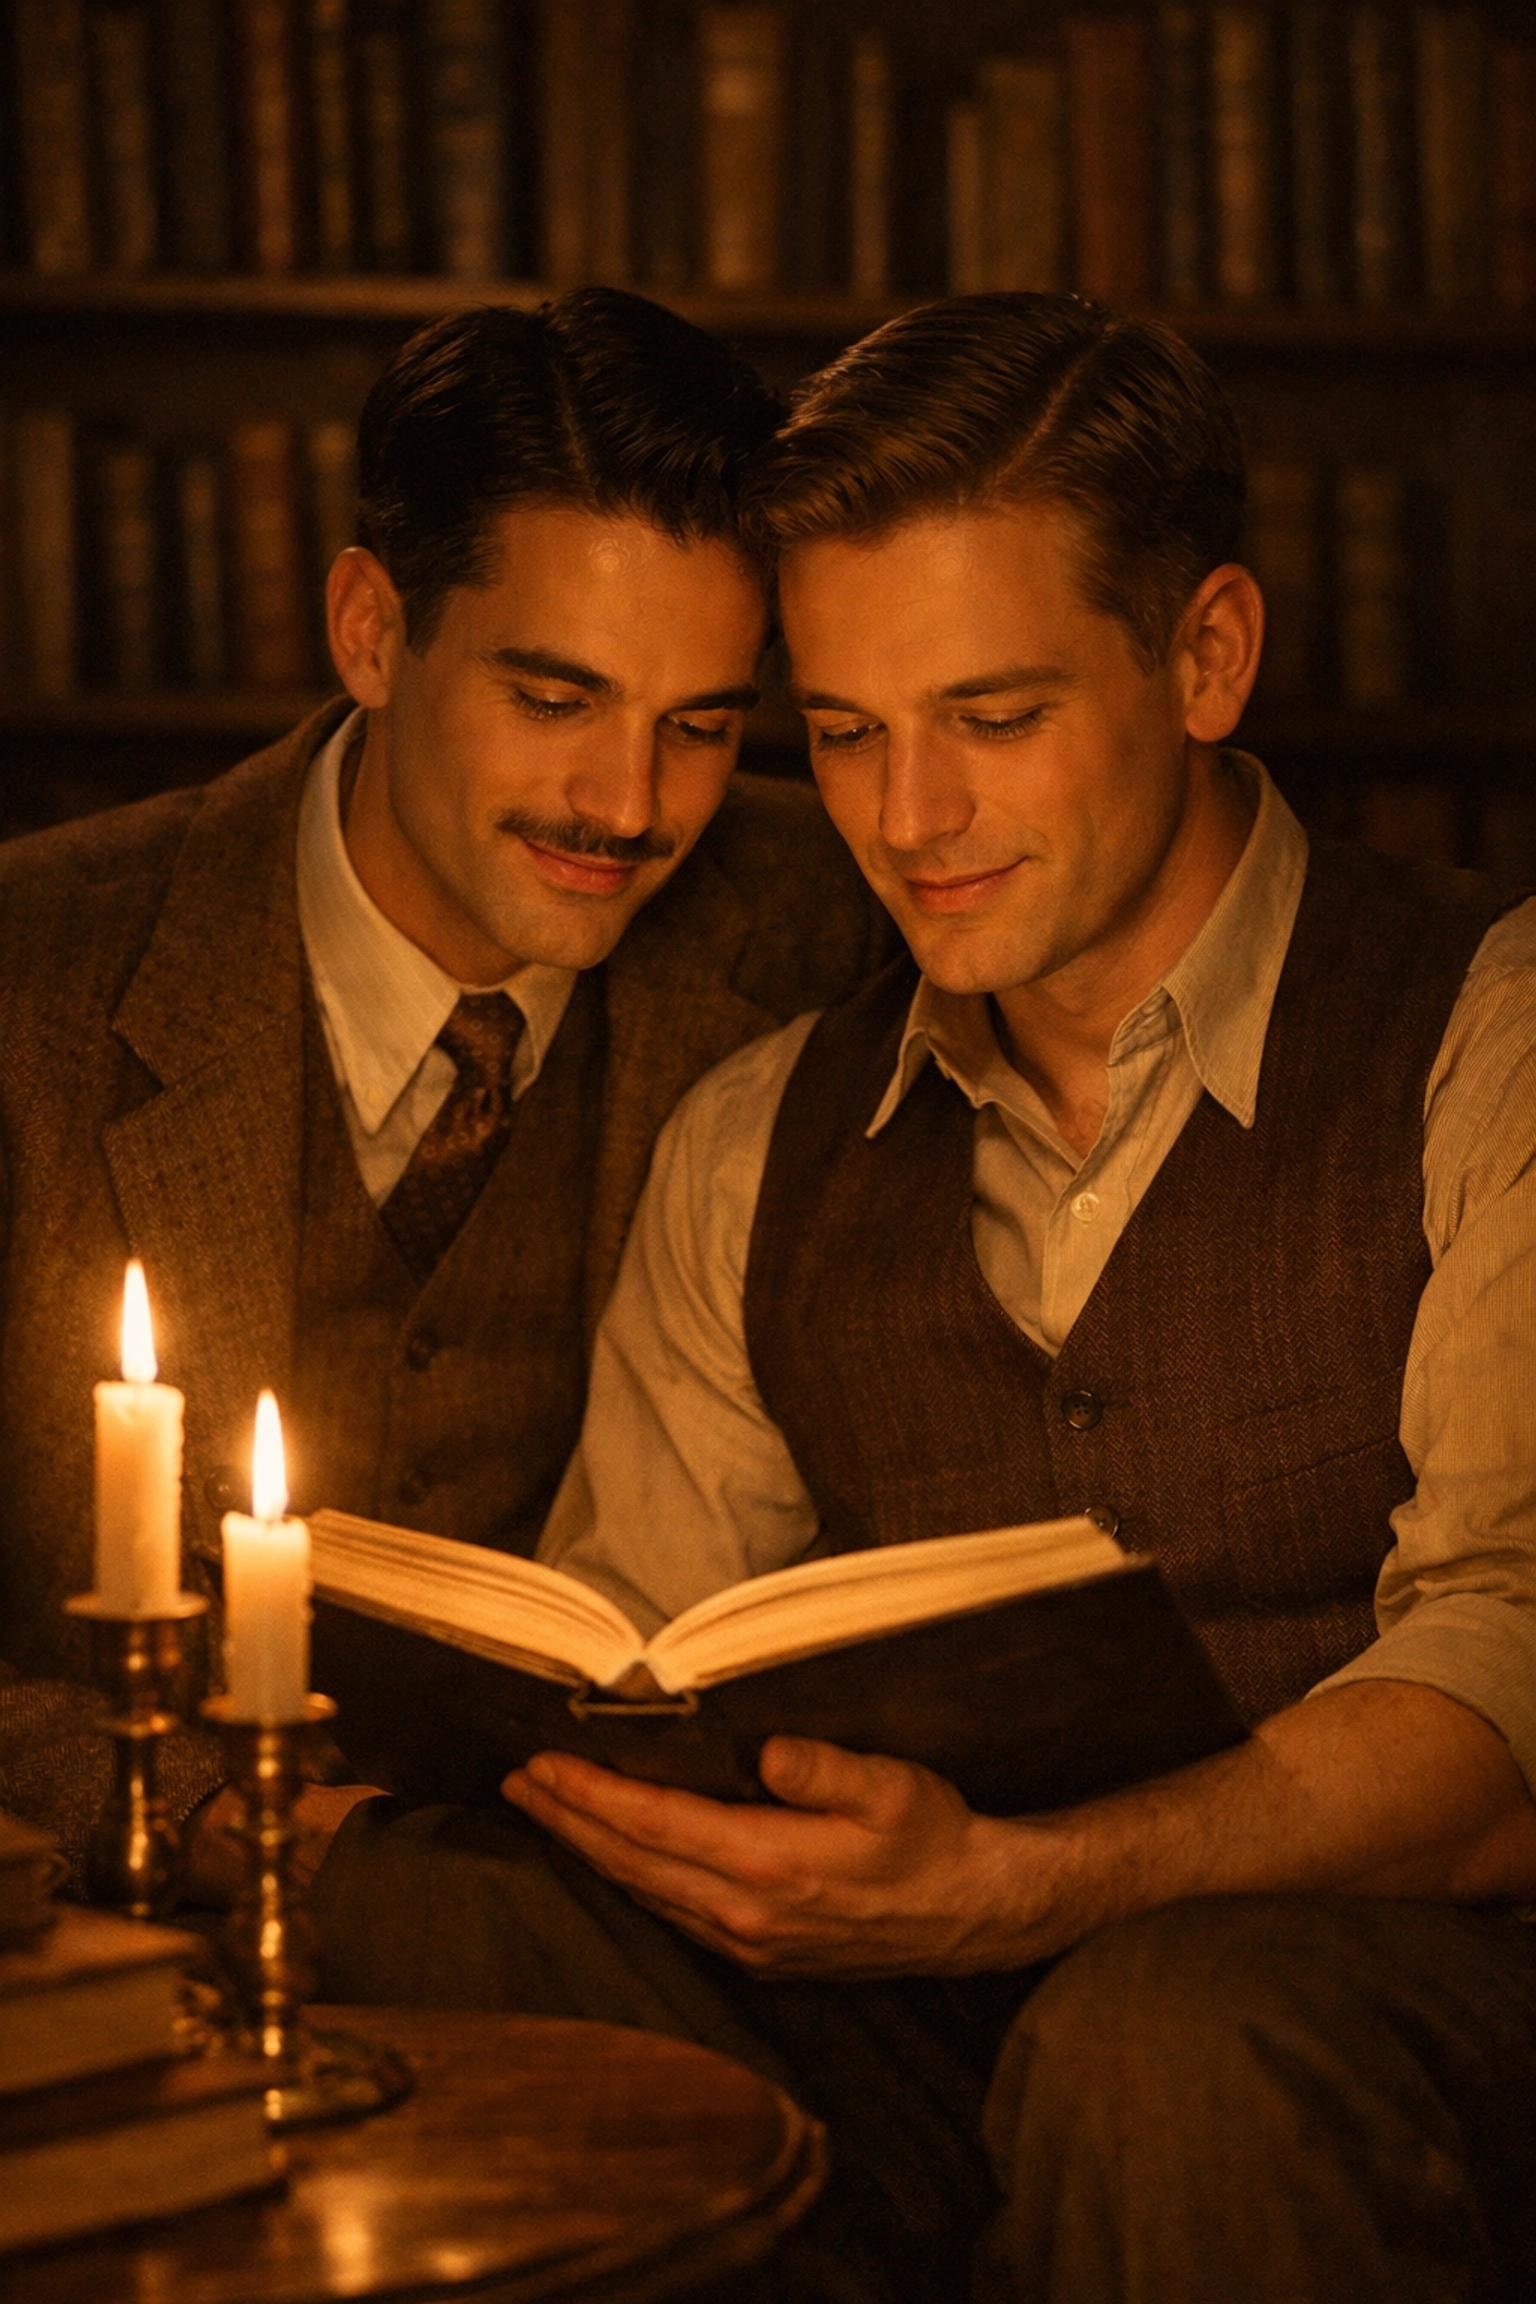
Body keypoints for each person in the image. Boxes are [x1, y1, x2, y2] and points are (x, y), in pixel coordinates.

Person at [317, 295, 1536, 2304]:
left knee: (1170, 2042)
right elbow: (639, 1657)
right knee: (442, 1912)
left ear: (1207, 656)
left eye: (994, 717)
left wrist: (1016, 1888)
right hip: (916, 2009)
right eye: (848, 735)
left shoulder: (1483, 1025)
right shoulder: (756, 1136)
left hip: (1387, 1992)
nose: (909, 823)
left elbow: (1510, 1677)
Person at [0, 289, 892, 1896]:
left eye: (698, 725)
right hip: (121, 1937)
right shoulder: (30, 983)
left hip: (644, 1925)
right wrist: (208, 1817)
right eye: (553, 700)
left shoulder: (847, 925)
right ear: (369, 630)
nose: (626, 807)